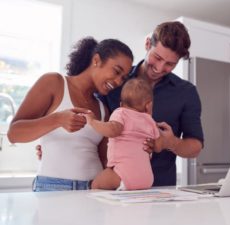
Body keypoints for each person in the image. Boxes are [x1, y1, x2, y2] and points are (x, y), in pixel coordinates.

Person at [7, 37, 133, 191]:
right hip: (52, 189)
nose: (119, 81)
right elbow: (14, 134)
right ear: (96, 60)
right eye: (117, 71)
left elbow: (105, 159)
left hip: (93, 190)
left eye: (123, 78)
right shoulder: (54, 83)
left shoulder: (103, 110)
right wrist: (57, 120)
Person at [103, 21, 204, 186]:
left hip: (161, 191)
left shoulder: (186, 92)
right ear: (148, 44)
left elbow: (195, 146)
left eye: (170, 64)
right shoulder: (117, 81)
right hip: (114, 188)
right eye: (157, 57)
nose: (159, 68)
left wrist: (170, 143)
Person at [85, 79, 159, 190]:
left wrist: (92, 122)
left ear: (121, 104)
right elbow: (157, 144)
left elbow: (113, 130)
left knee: (98, 182)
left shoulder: (121, 113)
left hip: (122, 175)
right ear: (149, 106)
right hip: (147, 180)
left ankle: (93, 192)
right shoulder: (150, 122)